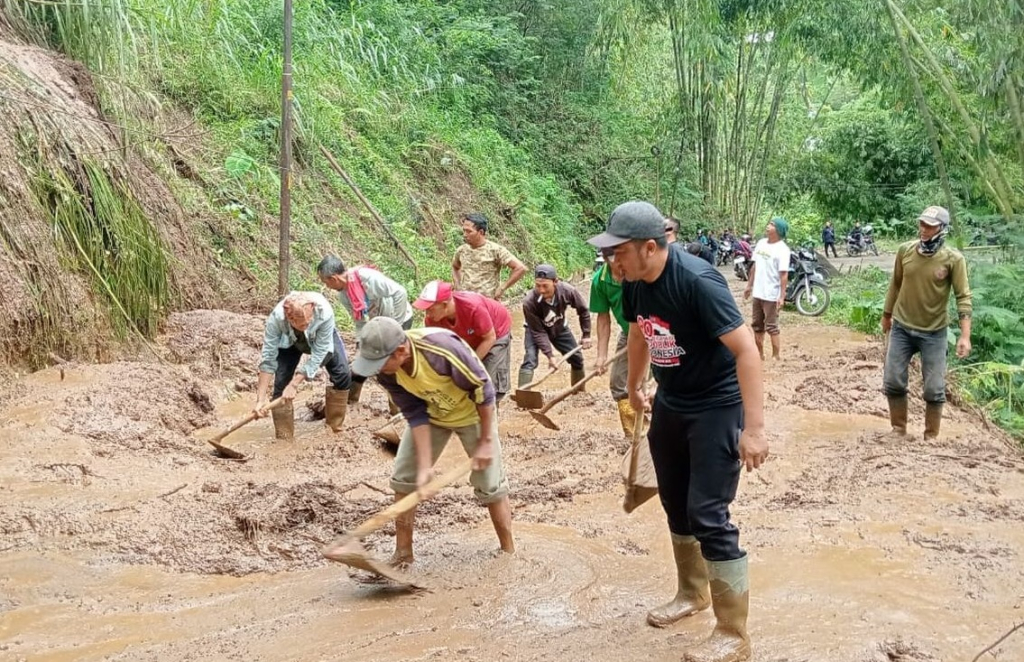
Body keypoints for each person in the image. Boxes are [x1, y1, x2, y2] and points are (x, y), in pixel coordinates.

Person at [589, 201, 767, 662]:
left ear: (651, 247)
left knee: (708, 512)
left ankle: (733, 633)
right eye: (608, 253)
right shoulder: (630, 283)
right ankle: (692, 593)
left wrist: (755, 429)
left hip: (718, 405)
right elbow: (639, 334)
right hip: (672, 401)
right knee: (675, 501)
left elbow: (747, 352)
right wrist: (633, 385)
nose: (612, 261)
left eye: (618, 252)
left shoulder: (697, 282)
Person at [351, 316, 514, 566]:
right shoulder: (387, 373)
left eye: (380, 362)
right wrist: (425, 468)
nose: (377, 369)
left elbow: (484, 392)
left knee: (490, 484)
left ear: (401, 351)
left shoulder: (442, 349)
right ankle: (403, 553)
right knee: (405, 478)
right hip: (433, 413)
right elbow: (415, 414)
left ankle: (508, 552)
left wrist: (484, 441)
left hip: (473, 413)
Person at [882, 205, 972, 440]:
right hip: (902, 326)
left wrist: (965, 336)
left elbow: (963, 297)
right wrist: (886, 315)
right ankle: (899, 429)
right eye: (922, 224)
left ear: (942, 229)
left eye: (930, 226)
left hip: (934, 332)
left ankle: (931, 436)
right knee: (893, 380)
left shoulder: (953, 260)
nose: (924, 229)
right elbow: (895, 284)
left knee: (934, 388)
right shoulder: (905, 251)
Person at [254, 292, 352, 438]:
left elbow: (320, 352)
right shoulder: (276, 319)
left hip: (321, 340)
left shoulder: (324, 312)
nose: (307, 326)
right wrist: (260, 399)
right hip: (289, 341)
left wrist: (294, 384)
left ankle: (334, 430)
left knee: (343, 374)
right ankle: (284, 438)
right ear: (290, 319)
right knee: (281, 384)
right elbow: (268, 358)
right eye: (302, 324)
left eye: (309, 321)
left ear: (312, 308)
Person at [317, 255, 413, 404]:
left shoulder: (367, 278)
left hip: (400, 318)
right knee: (363, 359)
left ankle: (398, 408)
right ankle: (351, 401)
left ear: (333, 278)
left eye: (325, 282)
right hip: (379, 325)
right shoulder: (343, 295)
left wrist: (397, 327)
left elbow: (400, 292)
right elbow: (360, 321)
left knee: (392, 365)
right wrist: (359, 345)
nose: (327, 286)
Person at [414, 280, 513, 403]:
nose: (427, 314)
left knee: (488, 384)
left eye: (430, 309)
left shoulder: (473, 307)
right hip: (468, 336)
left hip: (495, 332)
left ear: (445, 305)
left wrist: (468, 366)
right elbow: (437, 351)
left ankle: (489, 416)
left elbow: (489, 338)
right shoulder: (431, 321)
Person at [519, 264, 591, 390]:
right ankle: (523, 394)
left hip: (559, 327)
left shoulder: (567, 291)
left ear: (555, 282)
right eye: (538, 286)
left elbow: (583, 310)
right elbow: (538, 332)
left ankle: (578, 392)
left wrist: (586, 335)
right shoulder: (529, 302)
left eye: (545, 286)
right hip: (534, 329)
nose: (541, 290)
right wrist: (550, 355)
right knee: (530, 359)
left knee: (577, 358)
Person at [590, 247, 637, 436]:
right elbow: (603, 318)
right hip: (629, 333)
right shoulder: (599, 281)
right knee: (619, 382)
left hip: (658, 331)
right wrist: (602, 355)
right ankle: (634, 435)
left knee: (658, 380)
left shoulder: (640, 274)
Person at [743, 218, 791, 360]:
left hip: (771, 294)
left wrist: (781, 296)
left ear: (779, 230)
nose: (768, 226)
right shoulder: (761, 243)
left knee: (772, 327)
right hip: (758, 293)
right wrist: (749, 286)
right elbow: (755, 266)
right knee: (757, 325)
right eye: (769, 224)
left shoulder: (783, 249)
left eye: (772, 225)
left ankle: (776, 356)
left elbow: (783, 275)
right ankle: (760, 355)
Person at [451, 212, 527, 299]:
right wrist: (457, 285)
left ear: (481, 232)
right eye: (464, 230)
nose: (465, 235)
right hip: (466, 301)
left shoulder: (495, 250)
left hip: (487, 302)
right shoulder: (462, 250)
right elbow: (455, 267)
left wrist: (502, 288)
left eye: (469, 231)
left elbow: (520, 268)